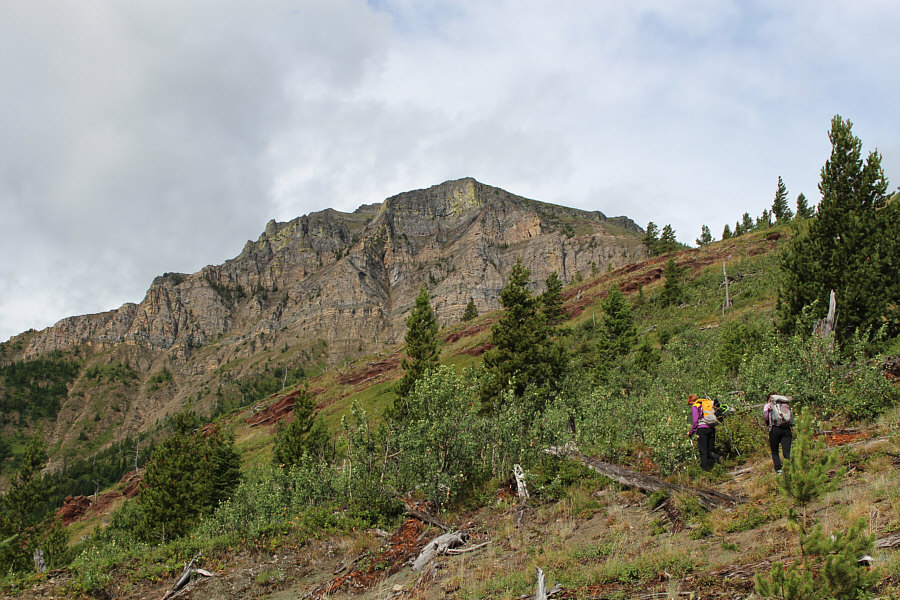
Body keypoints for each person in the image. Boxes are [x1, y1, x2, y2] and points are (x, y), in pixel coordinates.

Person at [763, 393, 793, 473]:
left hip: (775, 428)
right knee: (787, 451)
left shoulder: (768, 405)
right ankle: (790, 468)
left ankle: (778, 469)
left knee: (775, 450)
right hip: (787, 429)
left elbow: (765, 416)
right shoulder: (784, 404)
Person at [688, 393, 716, 471]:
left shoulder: (695, 406)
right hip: (711, 427)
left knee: (703, 451)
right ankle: (719, 461)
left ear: (691, 401)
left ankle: (705, 471)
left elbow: (695, 422)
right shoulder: (705, 404)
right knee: (710, 450)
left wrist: (691, 432)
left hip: (702, 429)